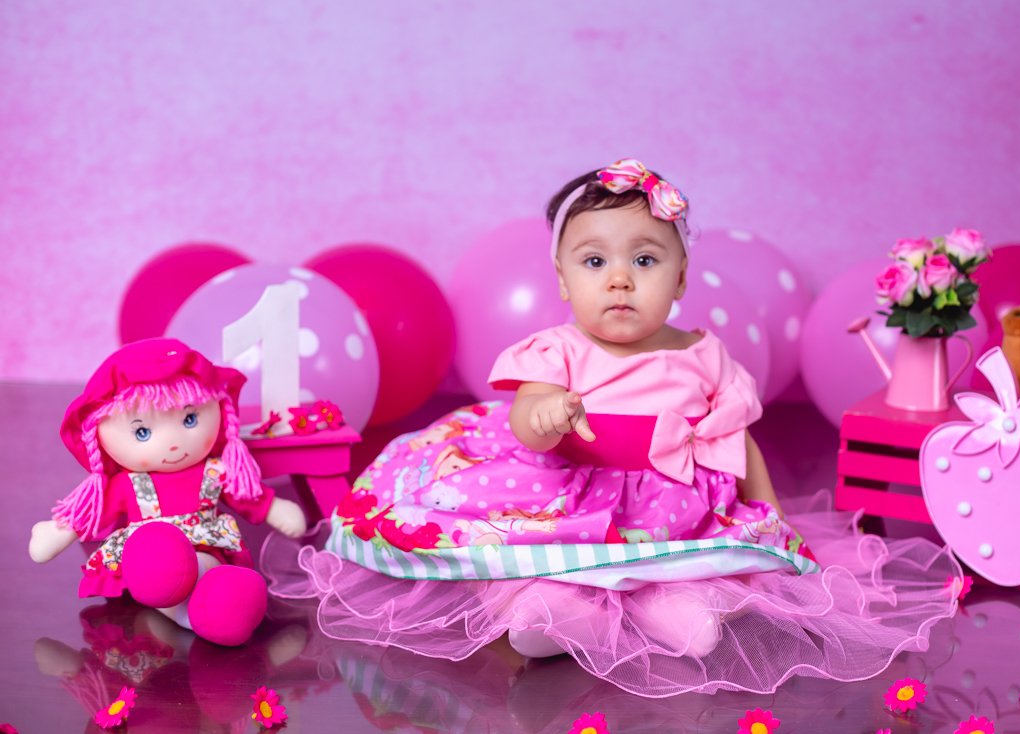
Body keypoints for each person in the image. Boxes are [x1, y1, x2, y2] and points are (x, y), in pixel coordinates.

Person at [264, 159, 960, 696]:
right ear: (565, 282)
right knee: (530, 552)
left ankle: (676, 606)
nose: (620, 280)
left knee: (693, 566)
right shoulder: (560, 350)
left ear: (681, 278)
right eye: (595, 262)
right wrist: (545, 413)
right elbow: (526, 421)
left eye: (645, 260)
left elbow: (735, 437)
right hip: (570, 500)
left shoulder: (702, 353)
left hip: (671, 507)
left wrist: (773, 515)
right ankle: (552, 611)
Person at [30, 339, 307, 646]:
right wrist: (59, 531)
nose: (173, 443)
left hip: (204, 548)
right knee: (159, 565)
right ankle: (197, 612)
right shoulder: (128, 484)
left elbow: (248, 497)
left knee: (205, 569)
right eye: (142, 432)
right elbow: (89, 512)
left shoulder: (216, 471)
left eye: (190, 419)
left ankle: (224, 604)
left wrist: (275, 508)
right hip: (149, 557)